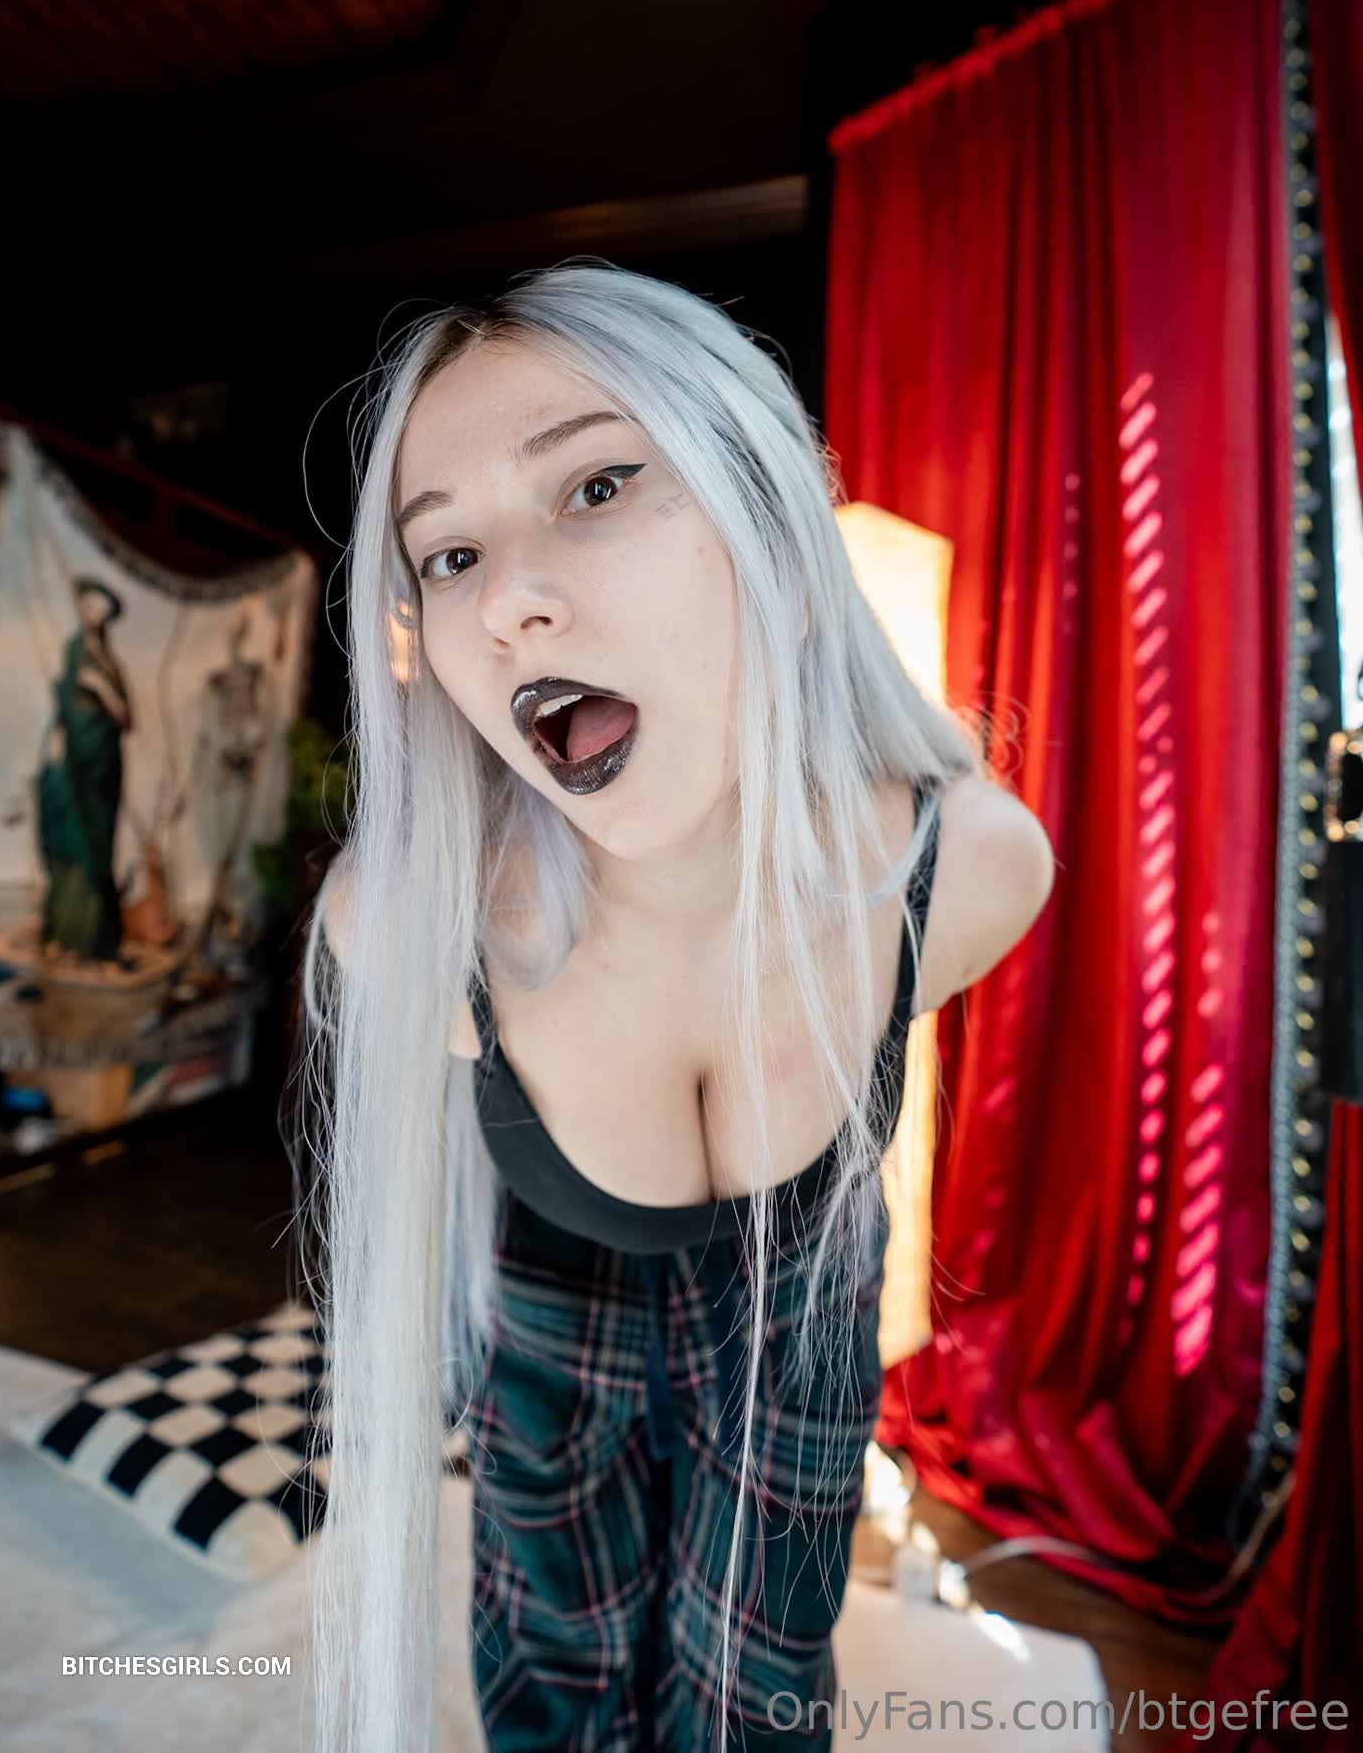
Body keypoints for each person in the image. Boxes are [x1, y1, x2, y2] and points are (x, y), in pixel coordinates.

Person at [295, 260, 1055, 1753]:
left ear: (774, 529)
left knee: (757, 1684)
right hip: (540, 1303)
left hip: (803, 1306)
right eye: (447, 555)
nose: (508, 600)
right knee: (556, 1671)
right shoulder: (407, 931)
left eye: (594, 485)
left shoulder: (971, 866)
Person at [36, 575, 134, 961]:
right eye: (90, 605)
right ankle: (72, 934)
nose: (95, 613)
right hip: (77, 765)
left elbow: (125, 716)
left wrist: (101, 687)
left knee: (100, 844)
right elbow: (68, 711)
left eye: (102, 609)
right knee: (76, 842)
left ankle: (99, 940)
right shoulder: (74, 650)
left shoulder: (107, 660)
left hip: (104, 765)